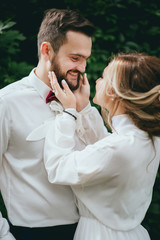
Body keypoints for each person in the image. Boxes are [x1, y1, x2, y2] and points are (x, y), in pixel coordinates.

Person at [0, 8, 108, 240]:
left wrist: (84, 109)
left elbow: (106, 157)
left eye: (85, 60)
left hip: (88, 231)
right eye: (75, 58)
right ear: (46, 50)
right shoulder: (5, 104)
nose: (82, 68)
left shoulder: (79, 98)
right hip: (30, 234)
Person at [41, 52, 160, 239]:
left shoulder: (118, 148)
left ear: (115, 92)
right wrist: (84, 108)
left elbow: (58, 167)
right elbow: (104, 151)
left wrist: (69, 114)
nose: (97, 80)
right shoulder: (148, 138)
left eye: (104, 77)